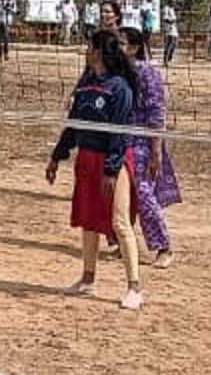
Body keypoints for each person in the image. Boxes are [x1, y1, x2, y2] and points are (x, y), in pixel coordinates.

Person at [48, 30, 144, 310]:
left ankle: (134, 287)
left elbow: (119, 134)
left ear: (100, 52)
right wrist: (57, 156)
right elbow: (74, 124)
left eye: (89, 47)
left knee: (119, 222)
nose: (86, 52)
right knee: (88, 220)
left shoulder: (120, 88)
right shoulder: (87, 84)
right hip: (87, 158)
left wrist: (112, 170)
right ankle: (87, 278)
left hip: (111, 159)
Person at [123, 36, 183, 268]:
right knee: (116, 194)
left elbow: (157, 111)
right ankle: (122, 243)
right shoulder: (115, 72)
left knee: (145, 194)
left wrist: (156, 149)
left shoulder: (147, 72)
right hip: (118, 139)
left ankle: (163, 247)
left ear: (134, 47)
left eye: (121, 42)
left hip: (142, 142)